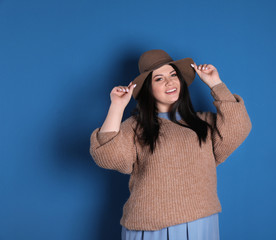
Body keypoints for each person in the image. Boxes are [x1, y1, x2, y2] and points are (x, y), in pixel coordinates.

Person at [89, 49, 252, 240]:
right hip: (149, 228)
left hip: (200, 223)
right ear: (148, 88)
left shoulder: (203, 123)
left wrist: (215, 83)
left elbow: (239, 126)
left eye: (173, 74)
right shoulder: (136, 127)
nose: (169, 82)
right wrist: (117, 106)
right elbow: (108, 156)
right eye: (159, 78)